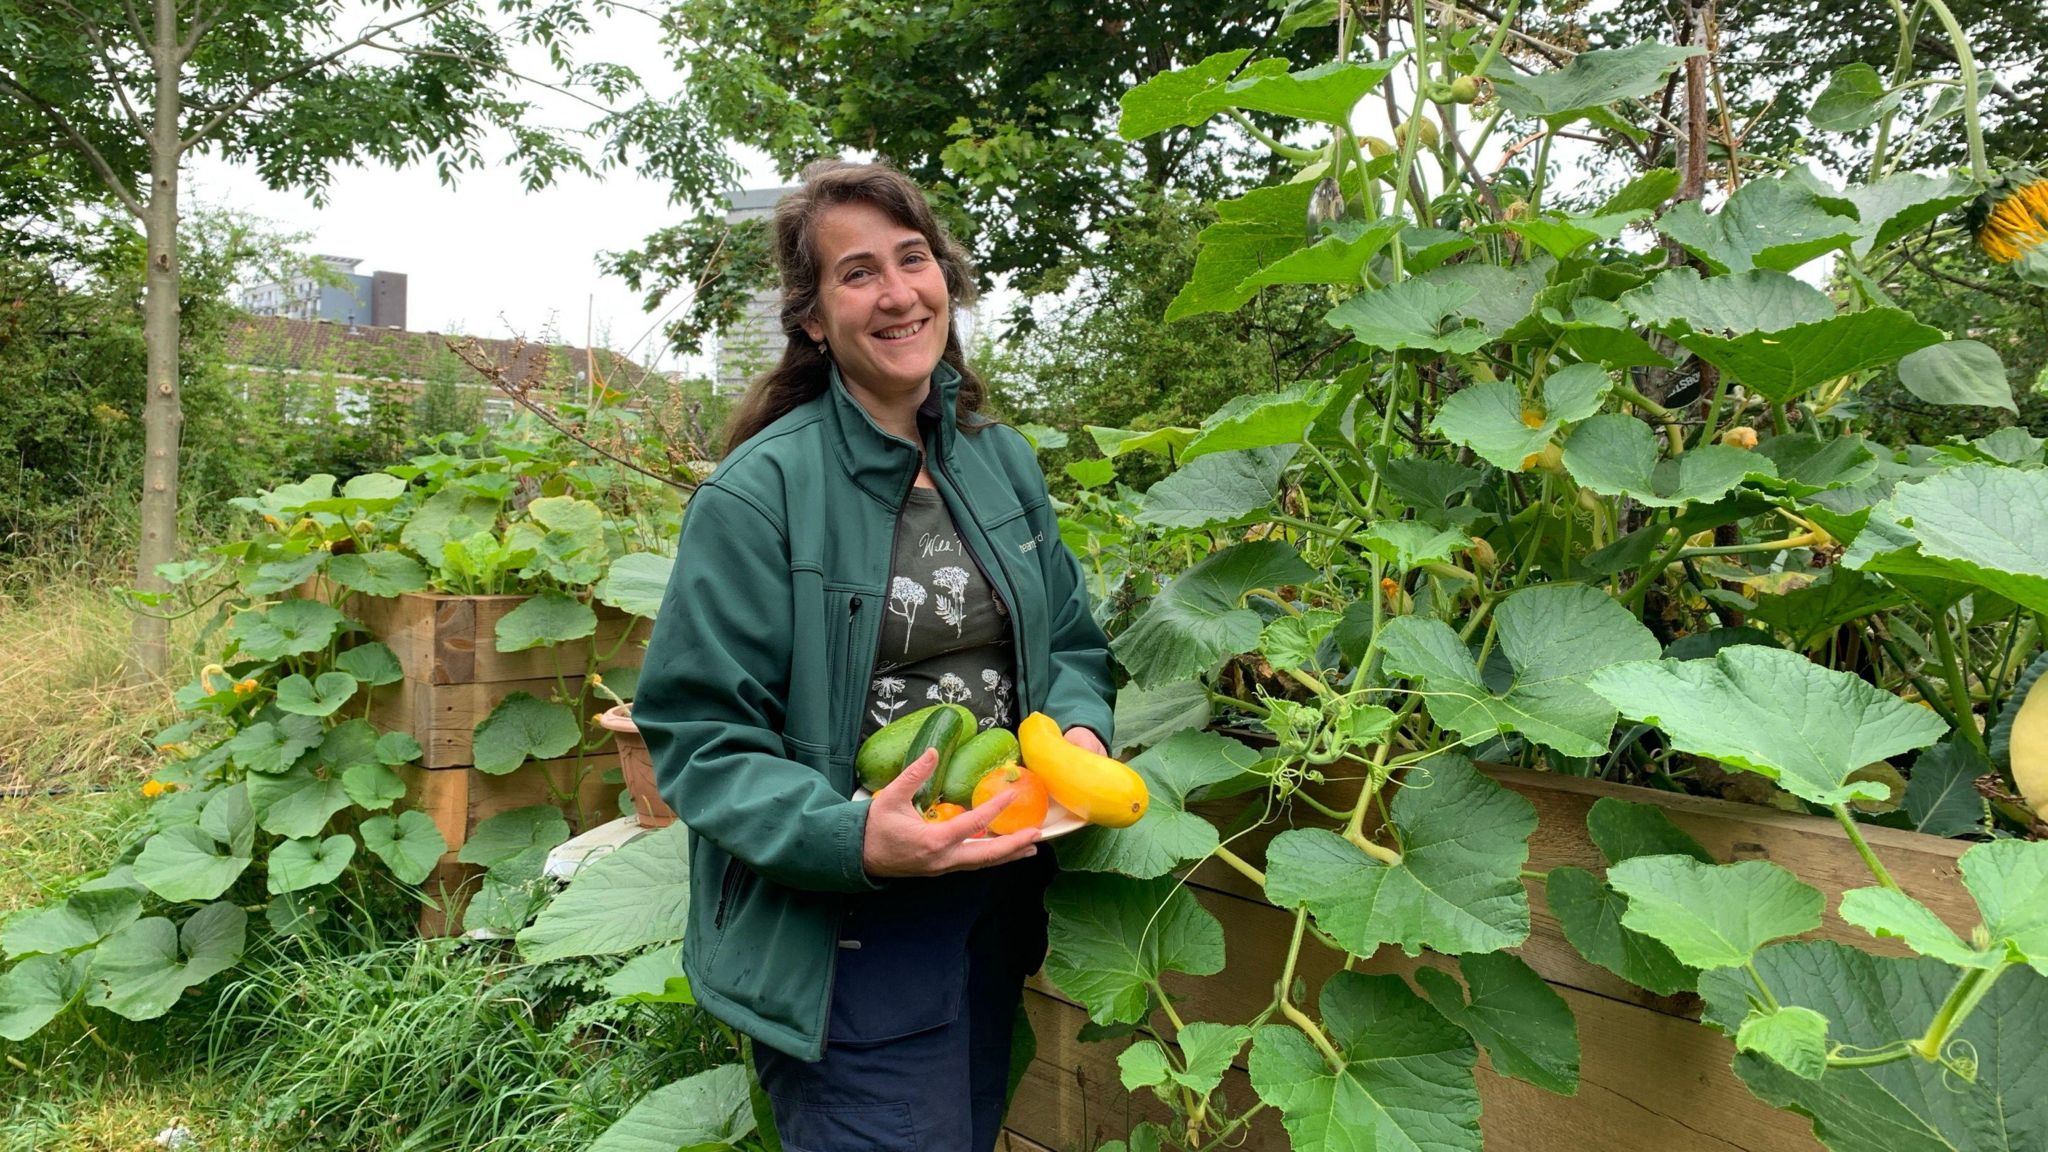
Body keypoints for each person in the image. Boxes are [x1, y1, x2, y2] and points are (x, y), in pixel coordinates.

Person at [635, 159, 1116, 1152]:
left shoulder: (996, 460)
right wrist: (848, 840)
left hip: (993, 906)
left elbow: (1067, 640)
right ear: (811, 318)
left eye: (913, 260)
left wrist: (1076, 730)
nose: (897, 293)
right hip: (847, 937)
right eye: (857, 274)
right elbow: (696, 735)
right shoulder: (757, 496)